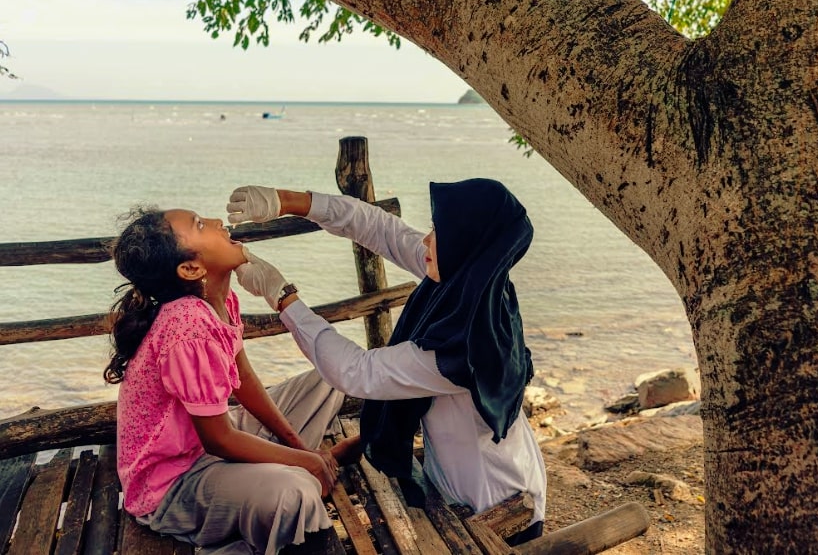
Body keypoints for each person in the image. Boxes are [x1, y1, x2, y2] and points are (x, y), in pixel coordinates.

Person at [227, 178, 547, 545]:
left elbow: (357, 372)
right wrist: (285, 201)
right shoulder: (472, 284)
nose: (425, 240)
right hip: (470, 476)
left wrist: (283, 296)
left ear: (466, 240)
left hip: (493, 504)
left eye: (437, 231)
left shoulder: (464, 349)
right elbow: (378, 227)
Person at [104, 206, 361, 554]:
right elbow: (219, 441)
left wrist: (299, 448)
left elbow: (243, 381)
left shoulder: (220, 301)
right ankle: (306, 475)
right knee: (294, 491)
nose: (217, 223)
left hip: (206, 442)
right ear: (191, 268)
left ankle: (312, 463)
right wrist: (305, 463)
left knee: (330, 377)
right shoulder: (187, 324)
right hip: (173, 483)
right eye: (200, 225)